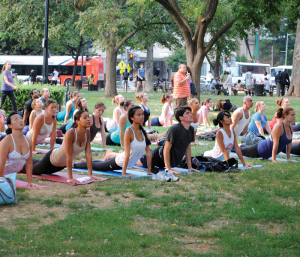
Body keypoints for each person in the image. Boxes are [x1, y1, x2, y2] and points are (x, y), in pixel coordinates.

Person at [21, 110, 101, 184]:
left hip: (61, 166)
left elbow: (88, 154)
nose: (88, 119)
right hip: (52, 160)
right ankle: (15, 165)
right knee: (31, 170)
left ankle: (23, 159)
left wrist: (90, 174)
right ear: (77, 121)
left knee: (38, 164)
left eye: (88, 117)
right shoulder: (71, 133)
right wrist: (70, 178)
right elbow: (68, 155)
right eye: (85, 118)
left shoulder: (87, 132)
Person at [74, 106, 153, 178]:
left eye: (142, 114)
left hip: (126, 162)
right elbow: (127, 153)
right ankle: (75, 165)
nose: (142, 116)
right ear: (132, 118)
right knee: (96, 166)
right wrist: (124, 173)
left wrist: (149, 171)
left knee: (100, 164)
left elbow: (148, 153)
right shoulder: (129, 131)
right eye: (138, 115)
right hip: (119, 162)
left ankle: (84, 162)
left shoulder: (143, 132)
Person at [139, 106, 198, 174]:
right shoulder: (174, 129)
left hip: (166, 162)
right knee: (134, 161)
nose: (191, 114)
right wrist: (168, 169)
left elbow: (188, 148)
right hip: (156, 158)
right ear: (181, 118)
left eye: (190, 112)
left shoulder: (191, 129)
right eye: (187, 113)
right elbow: (166, 148)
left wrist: (190, 167)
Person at [0, 112, 35, 187]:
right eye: (16, 119)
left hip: (9, 175)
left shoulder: (28, 141)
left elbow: (29, 163)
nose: (20, 120)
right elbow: (1, 163)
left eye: (21, 118)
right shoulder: (6, 141)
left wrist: (30, 182)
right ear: (10, 125)